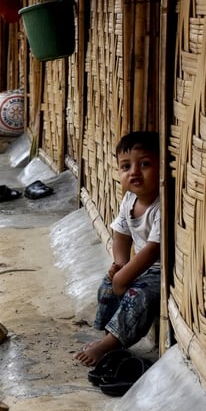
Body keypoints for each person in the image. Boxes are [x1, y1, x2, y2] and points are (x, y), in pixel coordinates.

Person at [75, 131, 161, 366]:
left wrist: (125, 276)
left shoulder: (160, 206)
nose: (134, 171)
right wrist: (120, 265)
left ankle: (110, 344)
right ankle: (109, 333)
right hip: (140, 267)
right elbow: (121, 236)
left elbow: (153, 250)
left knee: (138, 296)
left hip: (159, 271)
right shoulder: (129, 200)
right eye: (126, 166)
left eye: (144, 164)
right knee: (107, 284)